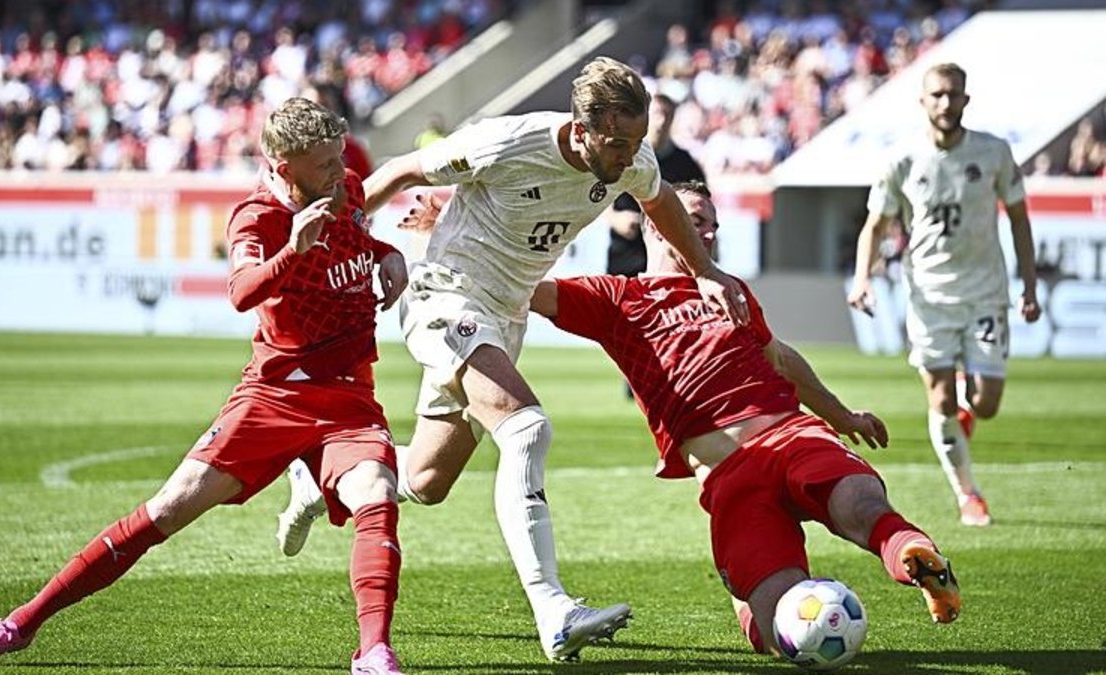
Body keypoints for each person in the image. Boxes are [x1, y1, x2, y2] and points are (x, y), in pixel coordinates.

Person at [278, 56, 749, 662]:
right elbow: (400, 170)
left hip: (503, 317)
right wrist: (344, 237)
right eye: (618, 142)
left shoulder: (635, 159)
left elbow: (659, 202)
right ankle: (553, 609)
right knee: (527, 428)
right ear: (582, 129)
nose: (629, 156)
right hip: (444, 297)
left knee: (425, 480)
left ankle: (318, 476)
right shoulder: (506, 141)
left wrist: (706, 271)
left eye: (636, 141)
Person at [0, 98, 411, 675]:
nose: (341, 172)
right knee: (163, 510)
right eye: (324, 164)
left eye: (339, 157)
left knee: (378, 494)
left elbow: (361, 244)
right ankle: (19, 625)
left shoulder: (349, 191)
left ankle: (373, 652)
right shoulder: (256, 217)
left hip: (348, 397)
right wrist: (294, 248)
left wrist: (389, 257)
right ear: (283, 166)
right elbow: (242, 292)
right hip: (274, 397)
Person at [531, 180, 961, 656]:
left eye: (712, 226)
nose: (707, 235)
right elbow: (528, 291)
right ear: (657, 225)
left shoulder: (728, 289)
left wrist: (841, 415)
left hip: (792, 435)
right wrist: (442, 238)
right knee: (783, 634)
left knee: (859, 502)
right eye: (695, 222)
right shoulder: (616, 299)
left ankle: (918, 560)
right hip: (730, 479)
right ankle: (753, 609)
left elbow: (779, 358)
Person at [847, 63, 1041, 527]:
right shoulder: (902, 159)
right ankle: (968, 495)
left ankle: (966, 406)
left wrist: (1029, 285)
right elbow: (876, 225)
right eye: (936, 95)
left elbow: (1018, 217)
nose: (945, 103)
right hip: (928, 296)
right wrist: (863, 278)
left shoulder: (993, 153)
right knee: (939, 399)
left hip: (986, 294)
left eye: (953, 95)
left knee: (987, 402)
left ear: (966, 100)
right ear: (923, 101)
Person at [606, 92, 707, 279]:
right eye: (658, 114)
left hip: (668, 259)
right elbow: (599, 190)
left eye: (668, 115)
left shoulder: (686, 164)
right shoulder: (625, 154)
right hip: (626, 256)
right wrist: (614, 218)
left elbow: (702, 205)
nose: (662, 121)